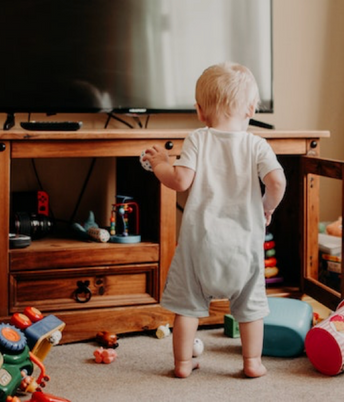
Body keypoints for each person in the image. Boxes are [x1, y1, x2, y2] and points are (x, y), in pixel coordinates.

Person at [142, 62, 286, 379]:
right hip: (245, 248)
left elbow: (179, 181)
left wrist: (160, 163)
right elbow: (277, 182)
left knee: (187, 308)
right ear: (251, 108)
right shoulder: (257, 144)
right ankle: (251, 363)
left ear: (200, 111)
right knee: (250, 310)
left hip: (199, 246)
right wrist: (266, 207)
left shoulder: (197, 139)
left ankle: (182, 364)